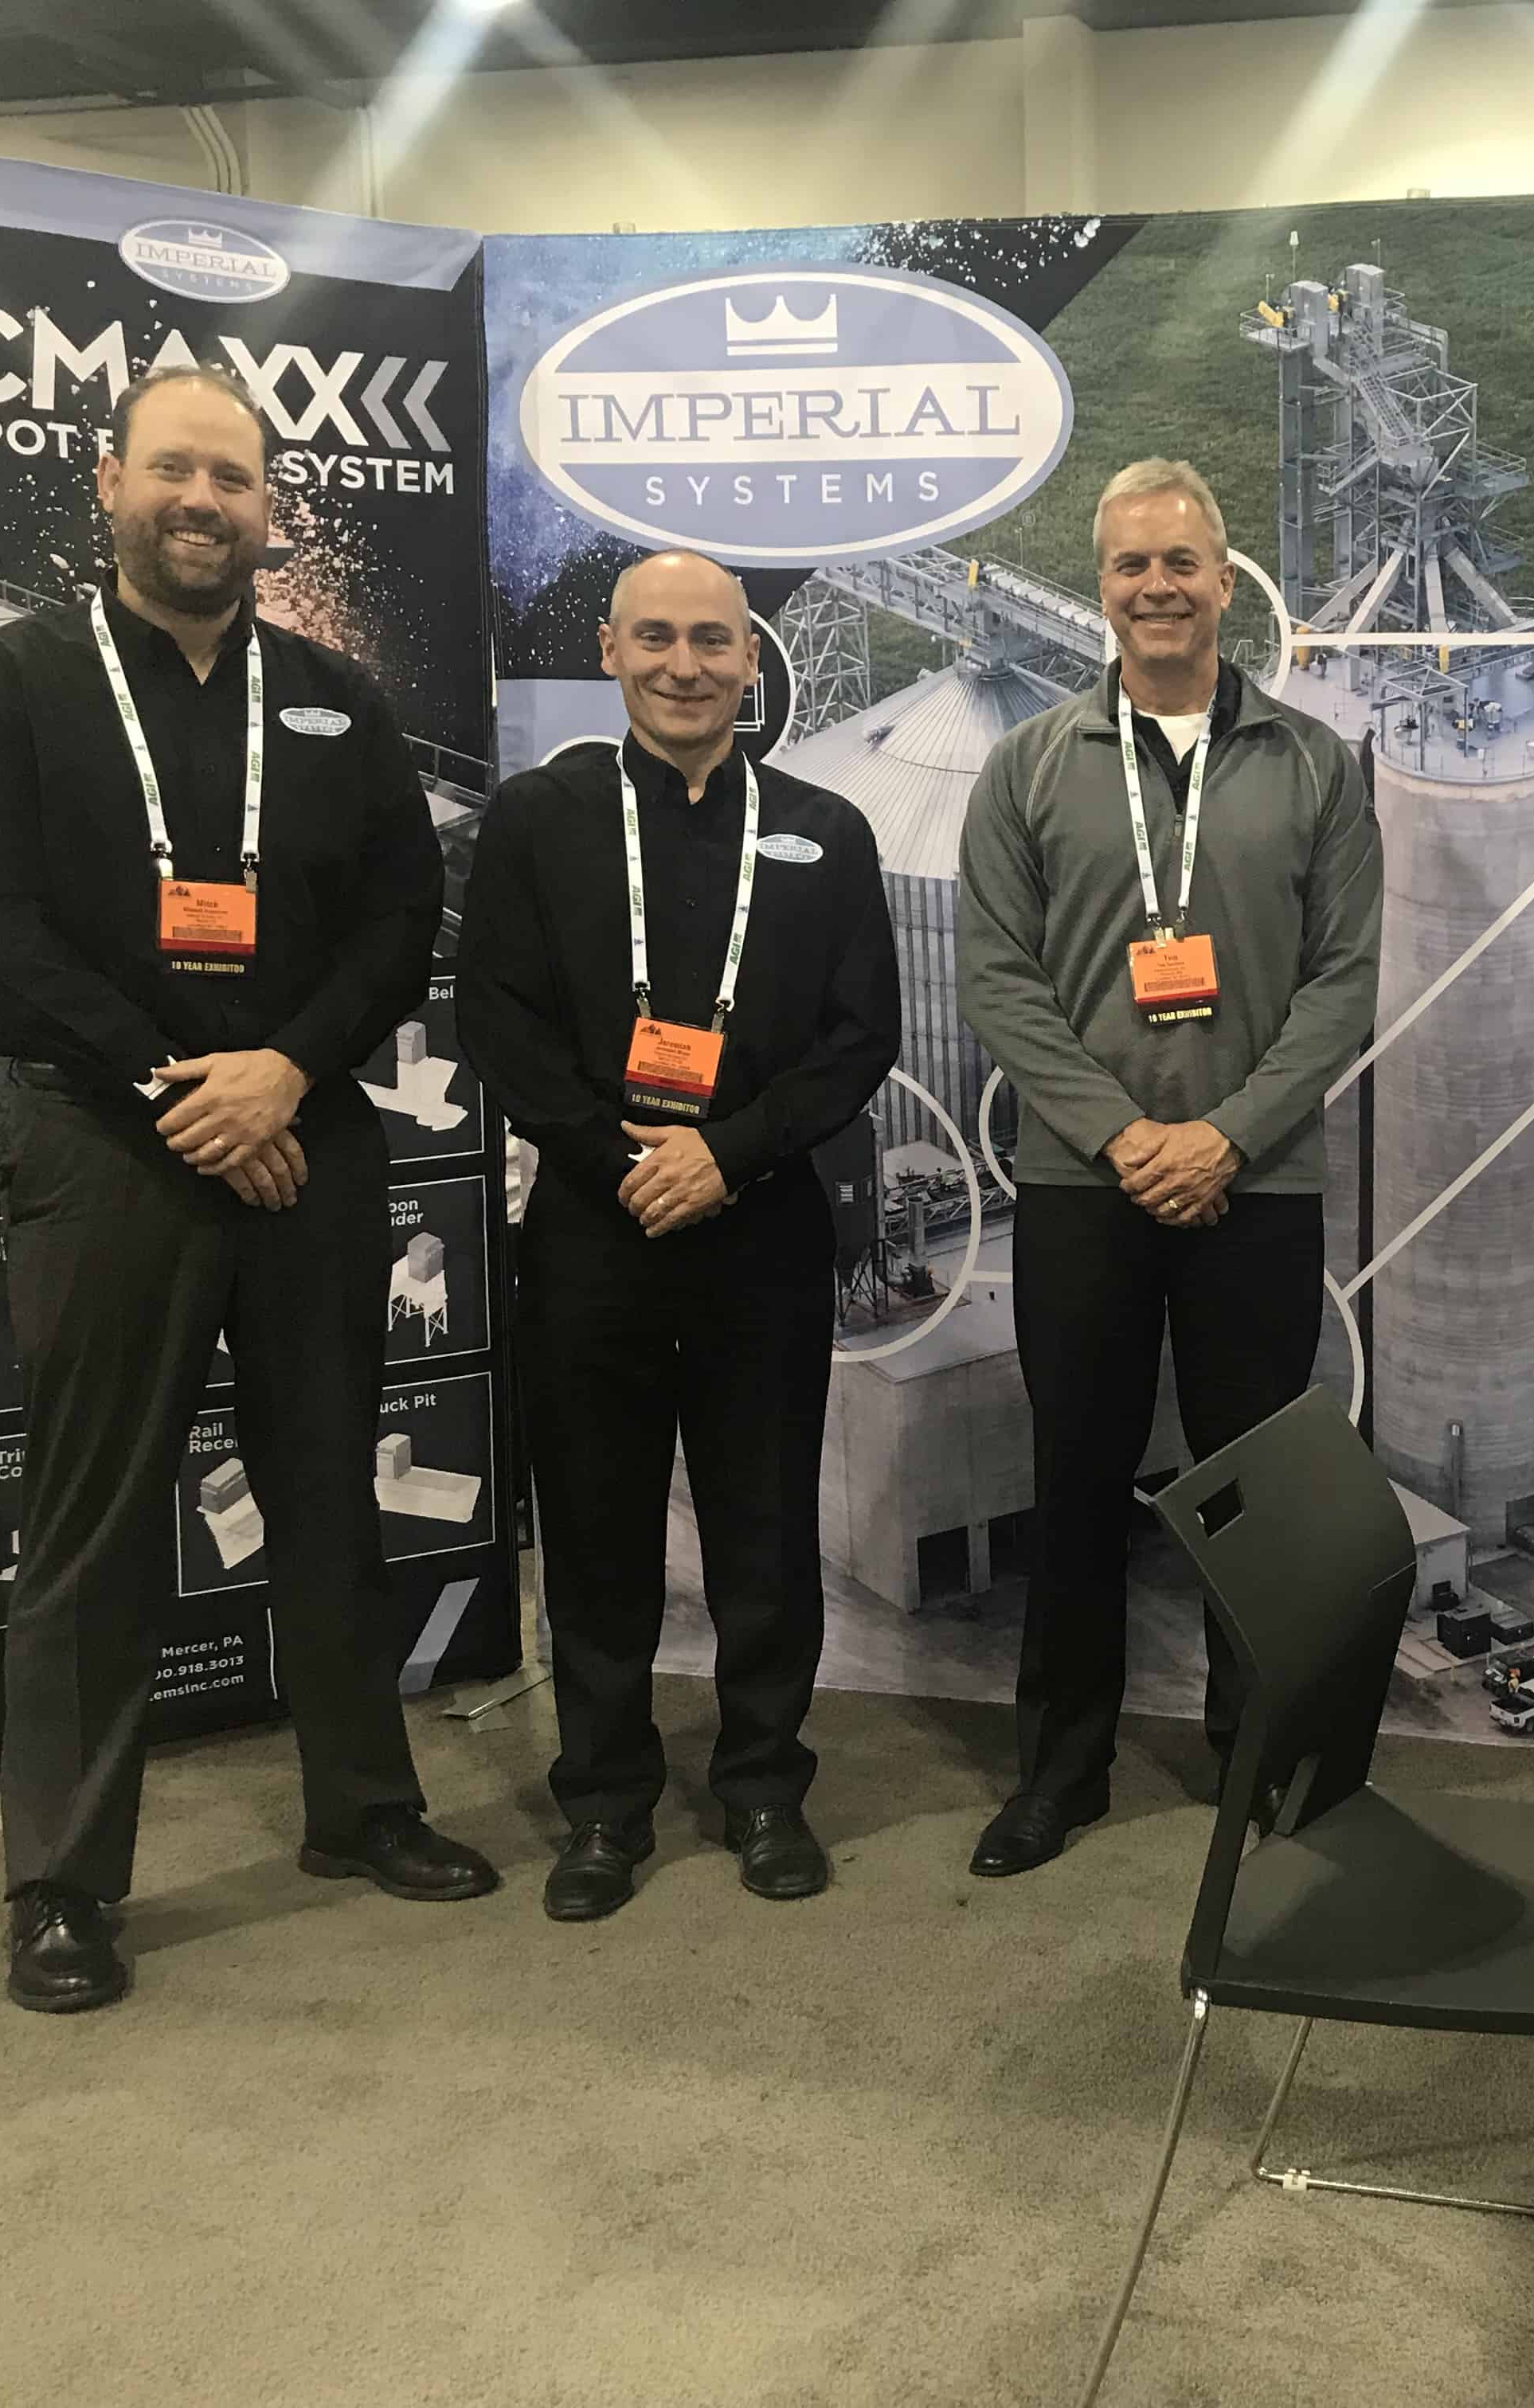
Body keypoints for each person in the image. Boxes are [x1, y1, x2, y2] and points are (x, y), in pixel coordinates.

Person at [0, 363, 495, 2015]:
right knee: (95, 1515)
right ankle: (61, 1881)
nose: (202, 502)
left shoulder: (329, 698)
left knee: (330, 1483)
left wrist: (287, 1072)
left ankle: (361, 1806)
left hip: (305, 1131)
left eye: (233, 480)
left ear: (267, 509)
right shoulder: (18, 681)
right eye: (174, 470)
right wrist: (181, 1082)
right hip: (109, 1139)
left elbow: (399, 915)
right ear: (110, 483)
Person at [956, 458, 1382, 1878]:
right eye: (1132, 564)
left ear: (1223, 577)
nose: (1158, 587)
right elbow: (997, 979)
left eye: (1181, 562)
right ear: (1103, 587)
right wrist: (1126, 1134)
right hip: (1086, 1187)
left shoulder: (1313, 763)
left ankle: (1257, 1751)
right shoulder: (1030, 765)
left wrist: (1228, 1134)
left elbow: (1344, 980)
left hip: (1254, 1186)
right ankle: (1060, 1771)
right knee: (1076, 1476)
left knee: (1252, 1486)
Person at [456, 550, 894, 1922]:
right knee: (595, 1529)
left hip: (760, 1229)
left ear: (751, 658)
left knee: (764, 1525)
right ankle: (603, 1803)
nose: (684, 665)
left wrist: (726, 1153)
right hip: (595, 1232)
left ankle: (763, 1785)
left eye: (712, 639)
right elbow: (498, 1020)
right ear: (610, 650)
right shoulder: (539, 818)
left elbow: (858, 1038)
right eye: (656, 637)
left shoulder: (826, 829)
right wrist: (620, 1160)